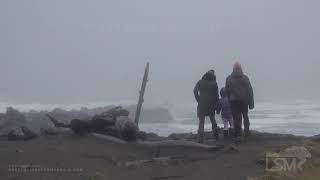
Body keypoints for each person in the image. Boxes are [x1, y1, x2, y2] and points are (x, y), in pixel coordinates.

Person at [226, 62, 254, 142]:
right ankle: (246, 132)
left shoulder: (228, 78)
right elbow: (250, 91)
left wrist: (229, 99)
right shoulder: (245, 78)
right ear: (241, 68)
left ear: (233, 69)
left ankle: (238, 133)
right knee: (245, 116)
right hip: (244, 100)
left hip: (233, 101)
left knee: (236, 118)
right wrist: (251, 104)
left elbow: (227, 91)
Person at [194, 70, 220, 143]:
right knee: (213, 120)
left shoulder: (200, 82)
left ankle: (200, 139)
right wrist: (217, 106)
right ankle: (216, 137)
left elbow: (195, 91)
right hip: (211, 104)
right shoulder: (214, 84)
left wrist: (198, 99)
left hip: (202, 103)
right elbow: (216, 97)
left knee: (201, 121)